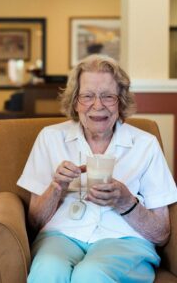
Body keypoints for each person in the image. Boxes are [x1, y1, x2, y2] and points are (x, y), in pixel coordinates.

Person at [17, 54, 177, 283]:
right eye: (87, 96)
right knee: (48, 271)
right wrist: (56, 187)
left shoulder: (145, 145)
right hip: (62, 236)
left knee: (90, 275)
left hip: (124, 240)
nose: (98, 105)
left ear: (120, 101)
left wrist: (126, 202)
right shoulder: (50, 139)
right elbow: (34, 222)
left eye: (108, 96)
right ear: (75, 101)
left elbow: (161, 233)